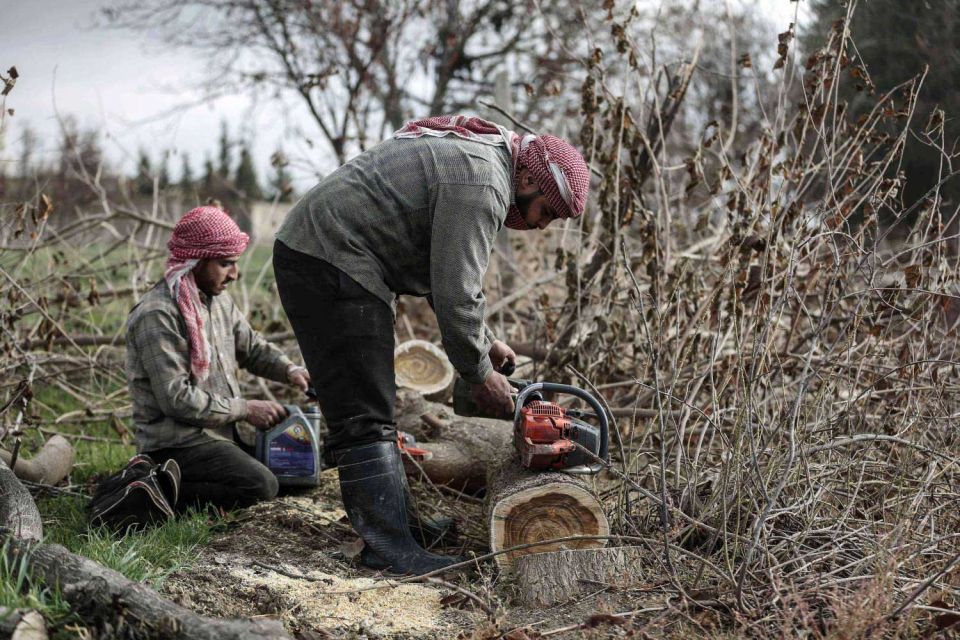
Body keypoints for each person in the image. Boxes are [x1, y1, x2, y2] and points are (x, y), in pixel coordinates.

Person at [273, 114, 590, 575]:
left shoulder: (485, 165)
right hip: (327, 256)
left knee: (374, 405)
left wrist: (485, 342)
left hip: (332, 254)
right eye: (547, 211)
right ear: (526, 178)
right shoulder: (482, 184)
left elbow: (447, 274)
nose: (542, 225)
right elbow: (456, 291)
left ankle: (401, 529)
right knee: (364, 414)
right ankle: (390, 550)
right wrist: (478, 374)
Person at [126, 205, 311, 511]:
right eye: (226, 264)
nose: (235, 274)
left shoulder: (218, 300)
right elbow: (177, 399)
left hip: (220, 435)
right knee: (262, 485)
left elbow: (251, 348)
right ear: (195, 260)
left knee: (297, 468)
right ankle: (150, 486)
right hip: (177, 445)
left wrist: (291, 370)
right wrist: (245, 409)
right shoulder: (157, 315)